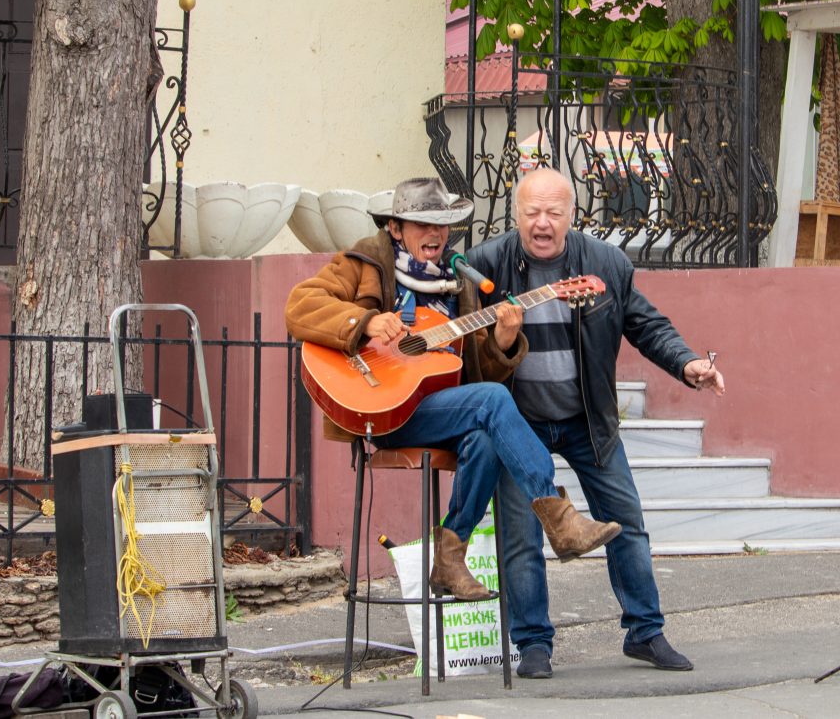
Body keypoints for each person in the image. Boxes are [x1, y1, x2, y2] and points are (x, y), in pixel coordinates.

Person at [285, 176, 621, 602]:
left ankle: (448, 559)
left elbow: (475, 373)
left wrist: (502, 341)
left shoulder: (459, 279)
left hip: (441, 410)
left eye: (442, 225)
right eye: (423, 224)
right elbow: (300, 305)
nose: (435, 234)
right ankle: (560, 518)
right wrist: (366, 322)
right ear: (395, 227)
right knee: (494, 402)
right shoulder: (364, 262)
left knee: (484, 438)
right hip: (384, 410)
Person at [467, 166, 726, 677]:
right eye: (532, 212)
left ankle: (646, 633)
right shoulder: (483, 267)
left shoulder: (606, 263)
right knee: (520, 535)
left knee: (626, 523)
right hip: (517, 423)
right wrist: (498, 342)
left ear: (572, 216)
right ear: (515, 214)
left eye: (554, 213)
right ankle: (534, 644)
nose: (542, 223)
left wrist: (687, 363)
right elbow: (465, 356)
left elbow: (647, 326)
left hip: (589, 418)